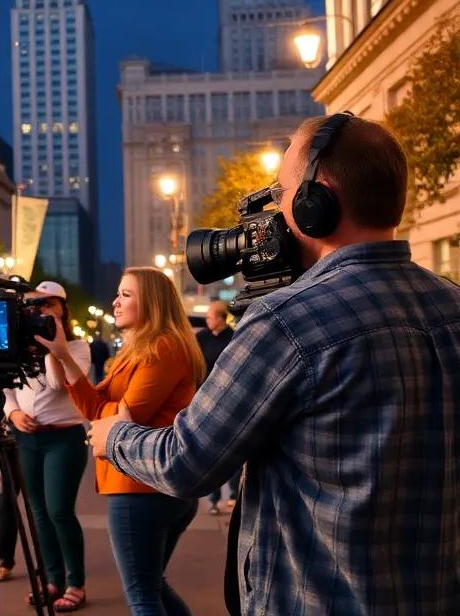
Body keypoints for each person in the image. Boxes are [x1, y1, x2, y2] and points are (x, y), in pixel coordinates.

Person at [89, 115, 460, 616]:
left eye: (282, 192)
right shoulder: (451, 304)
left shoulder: (288, 322)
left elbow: (186, 462)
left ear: (316, 201)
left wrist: (114, 437)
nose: (276, 211)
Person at [49, 267, 205, 616]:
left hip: (141, 487)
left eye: (126, 295)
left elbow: (123, 420)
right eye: (118, 294)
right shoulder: (139, 349)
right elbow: (95, 407)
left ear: (150, 302)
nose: (115, 302)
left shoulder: (163, 347)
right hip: (148, 485)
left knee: (142, 598)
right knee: (152, 589)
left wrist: (104, 409)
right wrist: (61, 355)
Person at [2, 281, 92, 611]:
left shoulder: (78, 347)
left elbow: (58, 384)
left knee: (59, 511)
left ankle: (76, 583)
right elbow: (6, 388)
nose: (40, 309)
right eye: (34, 305)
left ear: (63, 309)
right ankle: (53, 580)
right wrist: (12, 413)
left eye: (48, 304)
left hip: (64, 439)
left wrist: (54, 345)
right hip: (26, 438)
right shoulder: (18, 348)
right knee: (38, 513)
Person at [196, 301, 238, 515]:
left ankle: (233, 495)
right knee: (210, 450)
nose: (207, 320)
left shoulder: (233, 336)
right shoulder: (202, 337)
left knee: (232, 449)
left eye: (211, 317)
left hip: (229, 401)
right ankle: (213, 499)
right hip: (205, 399)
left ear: (221, 318)